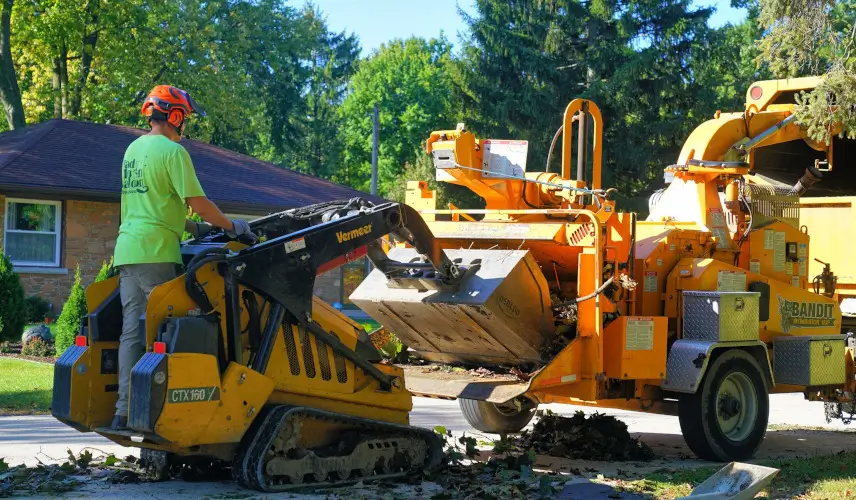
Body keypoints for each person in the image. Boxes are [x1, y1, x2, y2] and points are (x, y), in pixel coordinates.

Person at [111, 85, 251, 430]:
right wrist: (232, 226)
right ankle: (163, 414)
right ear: (173, 115)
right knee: (176, 328)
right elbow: (198, 202)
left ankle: (124, 410)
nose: (184, 123)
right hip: (158, 251)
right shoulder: (173, 153)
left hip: (128, 250)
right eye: (183, 116)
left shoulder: (133, 150)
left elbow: (152, 203)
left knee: (132, 332)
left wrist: (192, 228)